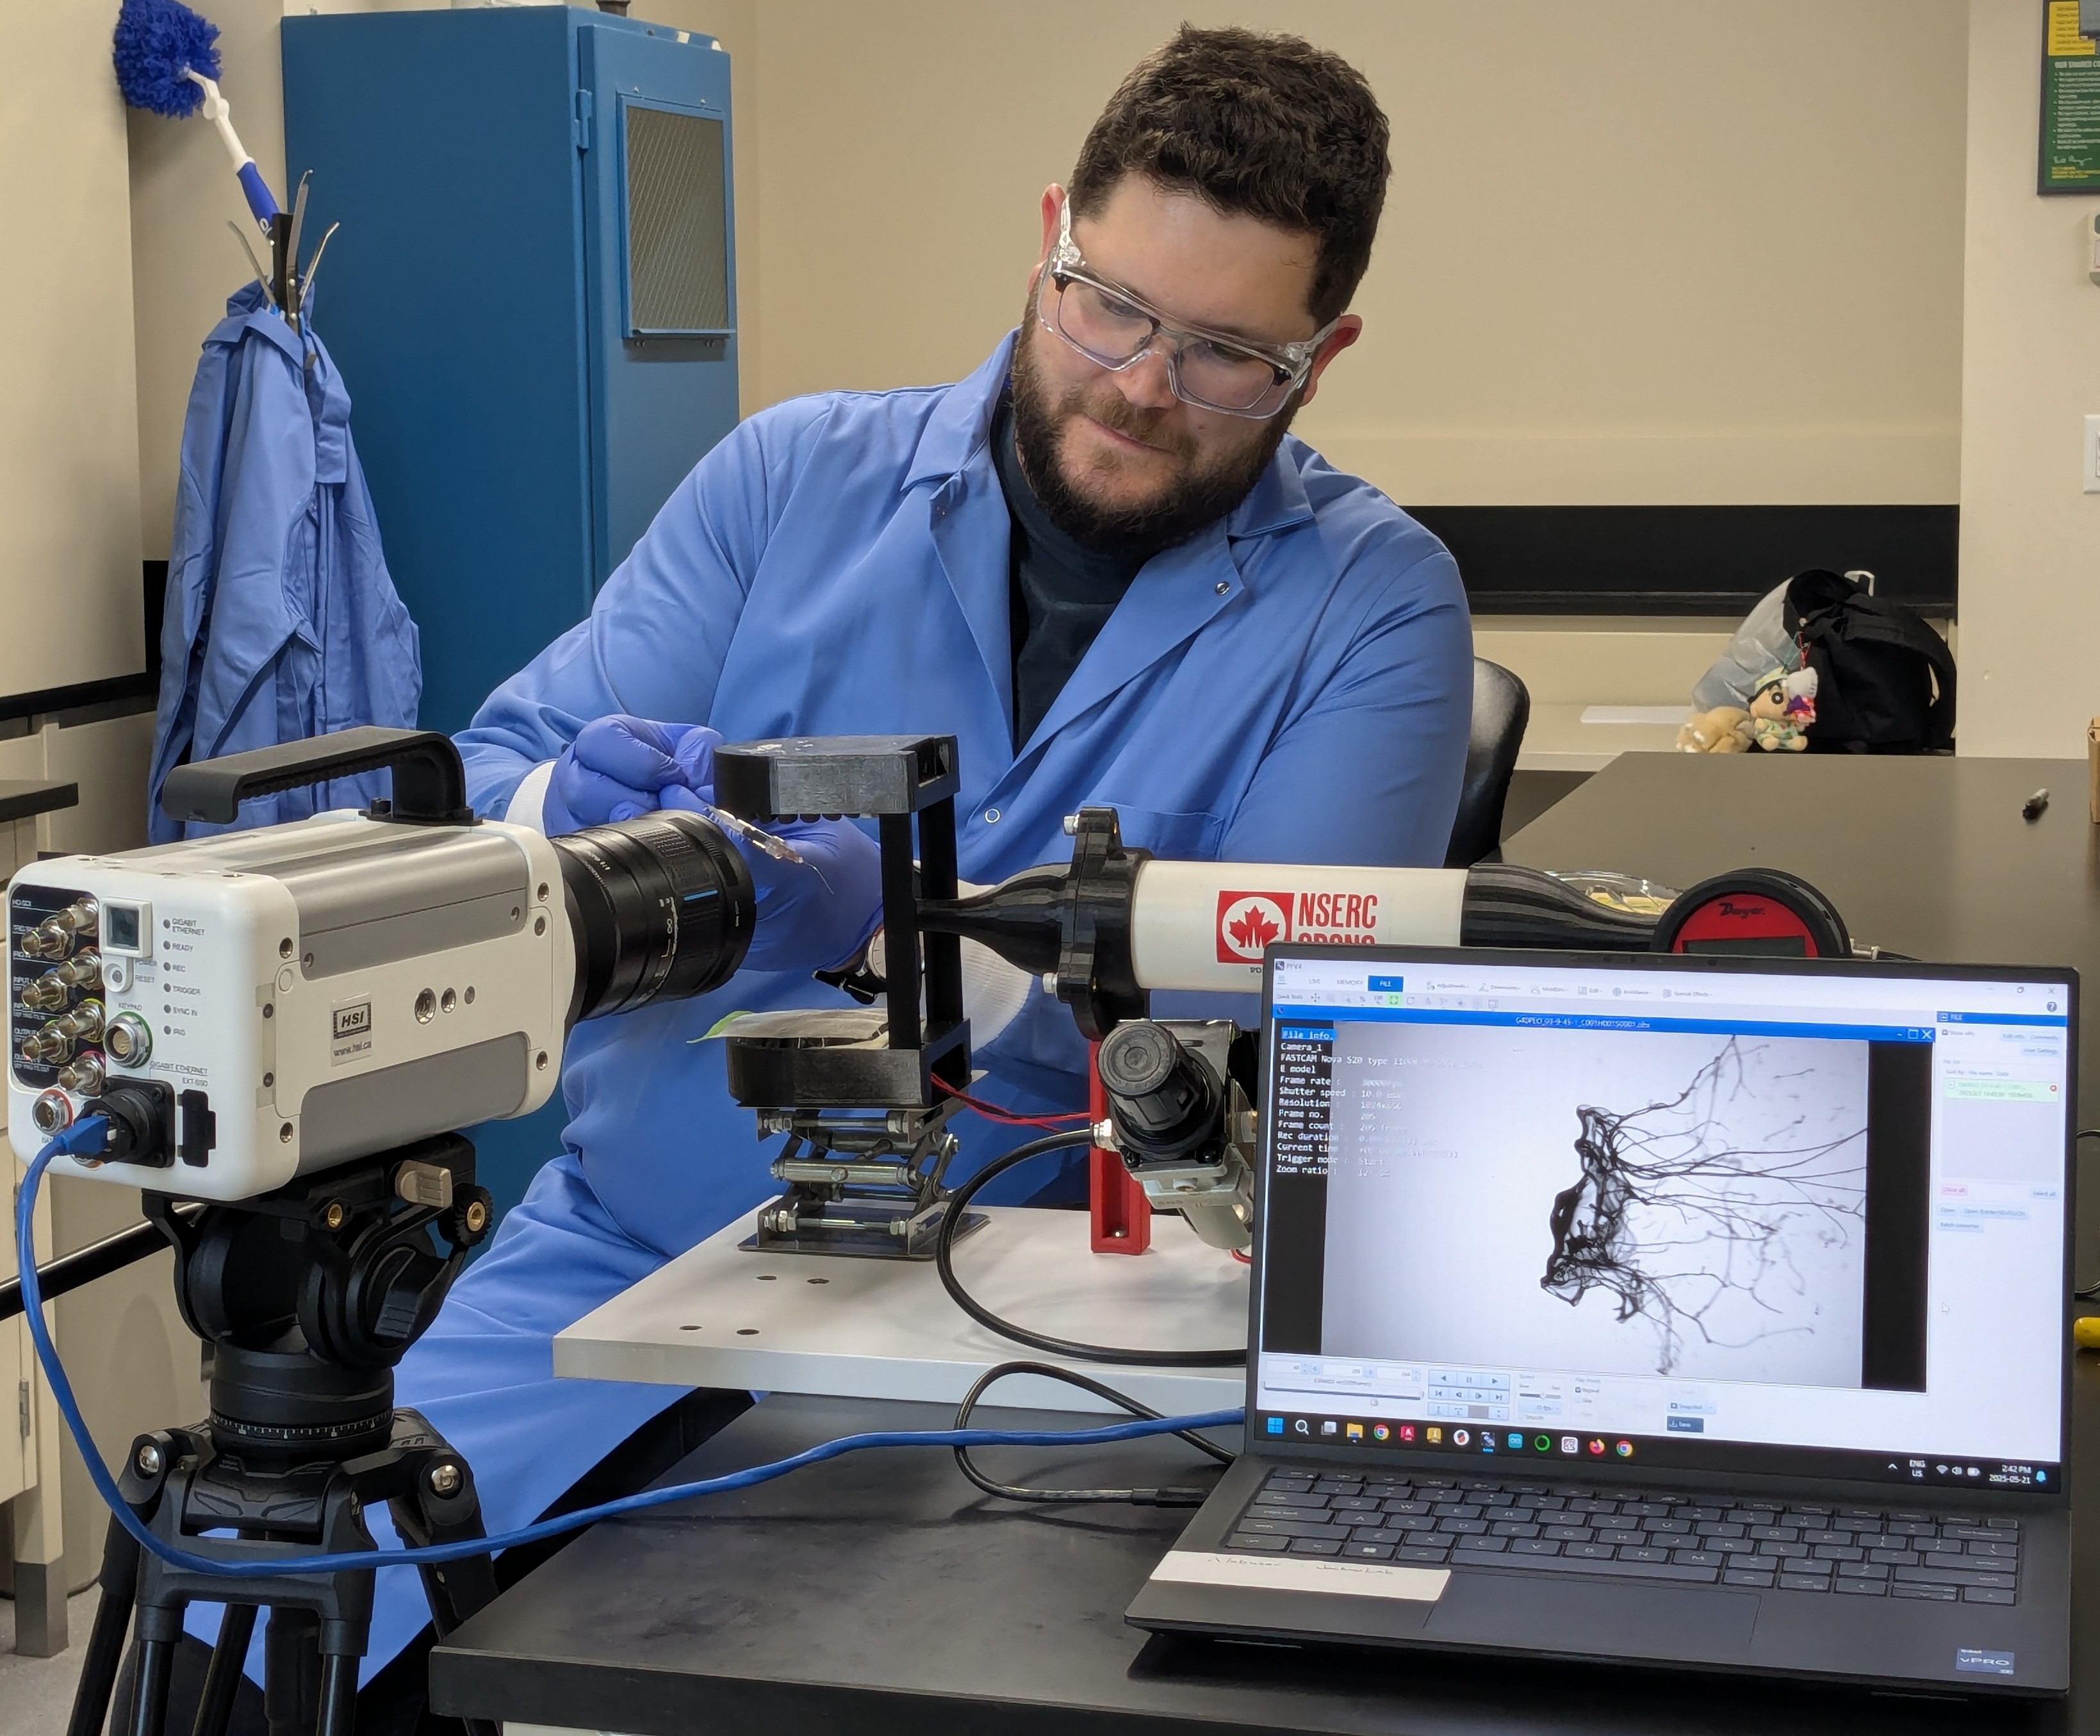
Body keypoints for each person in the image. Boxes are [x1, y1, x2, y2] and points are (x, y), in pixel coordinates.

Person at [167, 24, 1473, 1726]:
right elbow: (482, 782)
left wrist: (917, 941)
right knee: (259, 1649)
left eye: (1230, 354)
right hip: (630, 1261)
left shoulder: (1370, 609)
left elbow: (1277, 1054)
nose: (1145, 383)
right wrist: (578, 797)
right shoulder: (795, 482)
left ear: (1327, 351)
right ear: (1052, 233)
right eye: (1110, 308)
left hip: (1078, 1340)